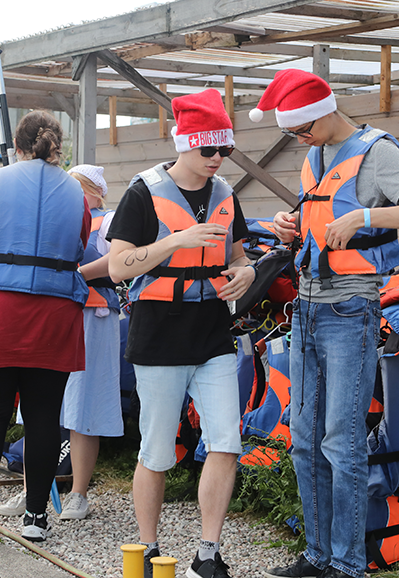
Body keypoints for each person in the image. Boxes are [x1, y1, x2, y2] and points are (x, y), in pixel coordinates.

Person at [252, 69, 399, 578]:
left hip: (352, 310)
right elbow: (321, 224)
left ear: (323, 112)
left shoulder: (377, 152)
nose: (296, 138)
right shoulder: (313, 156)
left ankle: (346, 565)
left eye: (300, 129)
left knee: (341, 442)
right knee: (303, 439)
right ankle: (317, 556)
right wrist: (291, 225)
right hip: (307, 308)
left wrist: (365, 219)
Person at [106, 89, 256, 578]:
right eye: (207, 150)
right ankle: (148, 549)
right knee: (155, 449)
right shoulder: (143, 192)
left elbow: (236, 256)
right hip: (159, 336)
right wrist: (175, 241)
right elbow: (115, 267)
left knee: (226, 443)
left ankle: (207, 553)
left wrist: (247, 272)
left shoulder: (225, 194)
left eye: (224, 150)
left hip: (213, 331)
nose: (216, 159)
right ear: (184, 143)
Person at [0, 110, 90, 543]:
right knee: (44, 418)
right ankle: (35, 519)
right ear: (55, 147)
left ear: (19, 147)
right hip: (54, 315)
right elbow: (80, 248)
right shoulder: (78, 195)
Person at [0, 164, 124, 521]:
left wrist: (77, 273)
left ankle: (78, 493)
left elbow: (119, 261)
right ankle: (32, 488)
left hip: (93, 315)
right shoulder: (52, 219)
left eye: (77, 188)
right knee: (40, 405)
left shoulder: (109, 220)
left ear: (95, 192)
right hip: (51, 313)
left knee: (83, 407)